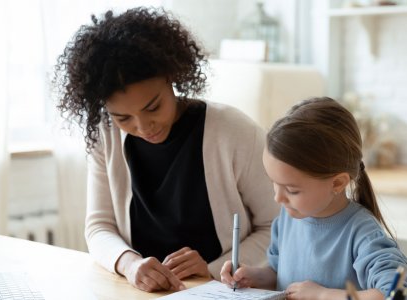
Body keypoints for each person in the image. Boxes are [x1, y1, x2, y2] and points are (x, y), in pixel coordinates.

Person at [53, 7, 279, 293]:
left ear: (172, 78)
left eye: (153, 107)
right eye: (123, 118)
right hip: (139, 292)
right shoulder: (105, 135)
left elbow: (277, 227)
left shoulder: (234, 132)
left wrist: (213, 268)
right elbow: (99, 227)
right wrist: (130, 264)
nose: (143, 126)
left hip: (221, 290)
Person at [220, 97, 407, 300]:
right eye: (273, 183)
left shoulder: (362, 233)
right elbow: (280, 275)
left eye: (291, 190)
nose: (278, 198)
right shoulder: (289, 219)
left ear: (338, 183)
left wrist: (323, 295)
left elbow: (400, 294)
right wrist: (253, 277)